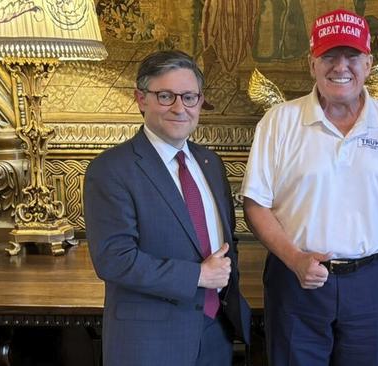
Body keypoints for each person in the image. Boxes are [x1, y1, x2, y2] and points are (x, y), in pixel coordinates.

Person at [241, 8, 378, 366]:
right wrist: (295, 260)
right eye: (329, 57)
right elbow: (256, 204)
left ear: (368, 64)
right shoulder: (280, 121)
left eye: (351, 56)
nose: (341, 67)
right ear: (312, 64)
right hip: (296, 280)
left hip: (371, 281)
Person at [83, 50, 250, 366]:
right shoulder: (111, 169)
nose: (179, 108)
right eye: (165, 96)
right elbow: (113, 260)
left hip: (216, 333)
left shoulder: (210, 163)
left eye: (189, 97)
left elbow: (225, 242)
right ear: (141, 99)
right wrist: (197, 275)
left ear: (200, 102)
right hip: (149, 342)